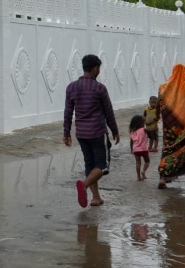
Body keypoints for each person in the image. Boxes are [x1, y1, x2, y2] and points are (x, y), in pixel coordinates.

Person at [63, 54, 120, 208]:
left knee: (90, 164)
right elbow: (108, 111)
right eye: (99, 68)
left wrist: (66, 133)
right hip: (97, 132)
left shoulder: (71, 87)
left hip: (81, 134)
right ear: (95, 68)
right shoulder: (99, 88)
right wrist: (115, 130)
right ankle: (84, 184)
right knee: (103, 165)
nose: (99, 71)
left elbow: (68, 112)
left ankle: (96, 198)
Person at [129, 115, 150, 181]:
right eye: (143, 122)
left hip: (136, 150)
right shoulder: (144, 129)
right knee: (147, 161)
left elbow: (131, 142)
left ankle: (138, 177)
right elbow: (151, 131)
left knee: (138, 163)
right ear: (140, 123)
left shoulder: (132, 132)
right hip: (144, 149)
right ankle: (143, 171)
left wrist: (131, 149)